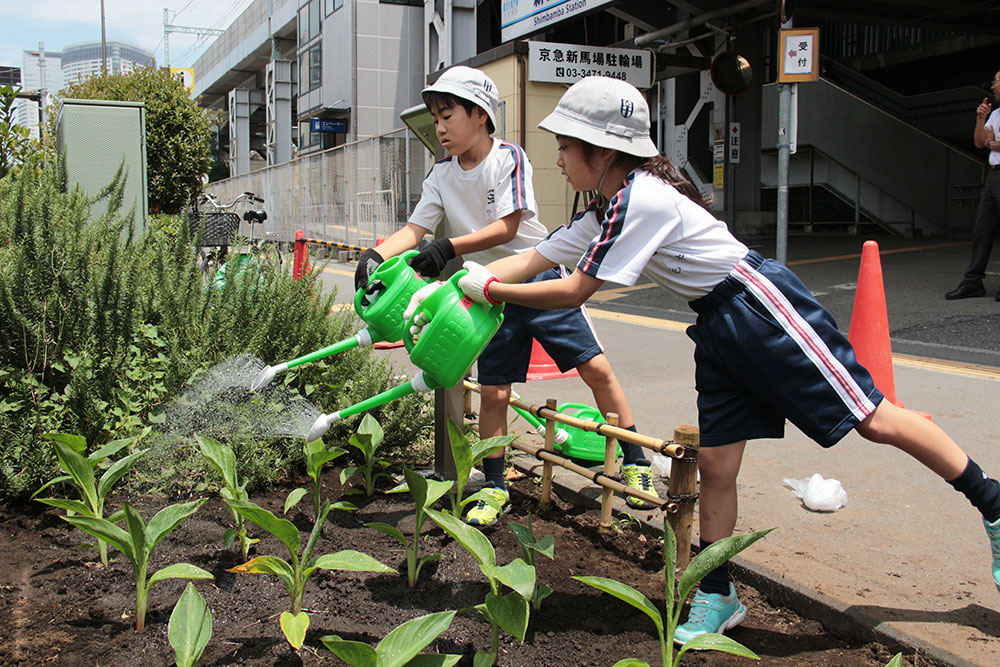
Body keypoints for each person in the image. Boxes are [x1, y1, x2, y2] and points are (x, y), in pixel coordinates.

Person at [427, 75, 1000, 642]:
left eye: (565, 147)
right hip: (718, 325)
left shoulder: (642, 199)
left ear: (603, 152)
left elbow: (574, 289)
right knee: (717, 469)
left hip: (761, 308)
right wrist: (451, 285)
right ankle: (718, 592)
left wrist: (491, 291)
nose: (557, 159)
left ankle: (991, 502)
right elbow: (533, 259)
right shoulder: (604, 207)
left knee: (873, 419)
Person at [354, 65, 658, 527]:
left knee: (594, 367)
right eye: (435, 118)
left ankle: (636, 462)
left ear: (480, 115)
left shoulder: (507, 158)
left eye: (448, 115)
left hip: (535, 279)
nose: (440, 128)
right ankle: (495, 487)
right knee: (495, 391)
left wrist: (449, 246)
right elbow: (415, 230)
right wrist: (374, 255)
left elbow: (509, 226)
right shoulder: (440, 175)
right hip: (486, 291)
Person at [945, 70, 1000, 300]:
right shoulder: (995, 114)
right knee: (982, 229)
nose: (993, 87)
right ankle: (973, 281)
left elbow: (990, 144)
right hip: (994, 174)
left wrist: (992, 144)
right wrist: (980, 118)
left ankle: (974, 280)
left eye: (996, 82)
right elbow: (979, 142)